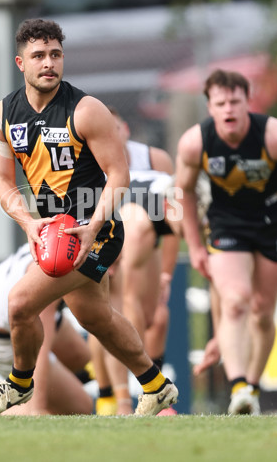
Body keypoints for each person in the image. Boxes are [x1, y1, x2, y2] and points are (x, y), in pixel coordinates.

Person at [0, 18, 178, 416]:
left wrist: (93, 226)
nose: (48, 63)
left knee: (19, 304)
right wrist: (30, 224)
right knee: (94, 317)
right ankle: (155, 385)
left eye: (55, 55)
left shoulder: (86, 110)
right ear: (20, 63)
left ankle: (17, 385)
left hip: (98, 228)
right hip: (54, 230)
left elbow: (119, 175)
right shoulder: (1, 117)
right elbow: (2, 183)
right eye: (38, 56)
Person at [175, 69, 277, 415]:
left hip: (271, 222)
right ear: (210, 107)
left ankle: (251, 385)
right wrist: (193, 246)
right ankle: (239, 389)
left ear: (248, 103)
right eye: (221, 103)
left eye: (236, 101)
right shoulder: (195, 143)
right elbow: (183, 192)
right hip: (225, 223)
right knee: (236, 301)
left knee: (263, 312)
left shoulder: (274, 135)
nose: (229, 109)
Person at [91, 108, 180, 415]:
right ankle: (116, 399)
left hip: (147, 246)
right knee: (109, 316)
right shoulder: (92, 164)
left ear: (125, 128)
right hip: (109, 248)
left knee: (157, 317)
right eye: (105, 131)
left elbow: (171, 225)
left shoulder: (156, 160)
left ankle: (154, 393)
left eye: (115, 128)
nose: (111, 136)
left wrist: (167, 274)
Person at [0, 244, 94, 415]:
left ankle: (47, 392)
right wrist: (37, 410)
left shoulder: (68, 243)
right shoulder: (56, 267)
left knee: (81, 358)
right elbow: (41, 351)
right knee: (81, 406)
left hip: (4, 309)